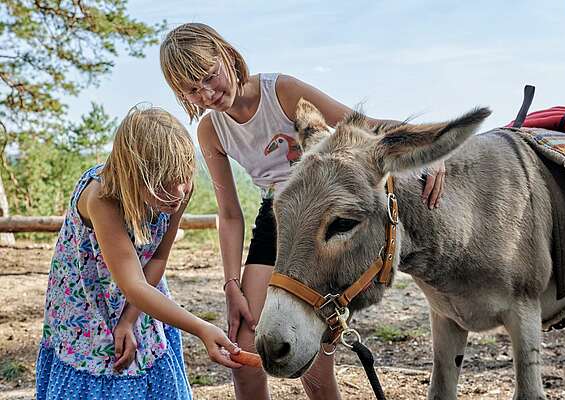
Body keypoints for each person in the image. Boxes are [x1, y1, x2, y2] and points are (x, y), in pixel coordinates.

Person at [160, 23, 446, 400]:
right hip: (277, 215)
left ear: (227, 55)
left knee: (310, 352)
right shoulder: (212, 131)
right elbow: (230, 213)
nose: (208, 93)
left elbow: (361, 127)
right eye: (193, 90)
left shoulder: (279, 91)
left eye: (210, 77)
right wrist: (231, 285)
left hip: (320, 209)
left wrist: (433, 143)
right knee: (243, 342)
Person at [35, 105, 242, 400]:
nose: (180, 192)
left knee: (146, 359)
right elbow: (132, 285)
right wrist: (200, 327)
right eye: (163, 185)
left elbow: (157, 259)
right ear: (134, 177)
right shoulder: (101, 199)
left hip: (145, 292)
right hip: (89, 301)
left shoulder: (179, 188)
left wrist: (129, 319)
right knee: (104, 365)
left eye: (184, 177)